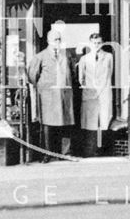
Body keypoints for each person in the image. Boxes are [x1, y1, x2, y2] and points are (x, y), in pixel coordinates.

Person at [27, 29, 75, 163]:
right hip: (48, 97)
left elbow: (73, 74)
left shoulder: (67, 56)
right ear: (48, 41)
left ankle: (66, 153)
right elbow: (32, 77)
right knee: (48, 126)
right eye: (55, 40)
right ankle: (47, 154)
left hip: (64, 95)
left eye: (59, 39)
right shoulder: (40, 57)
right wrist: (45, 87)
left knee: (65, 124)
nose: (58, 42)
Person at [78, 33, 113, 157]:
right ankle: (90, 150)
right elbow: (80, 78)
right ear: (90, 43)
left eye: (99, 43)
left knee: (104, 121)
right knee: (90, 122)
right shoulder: (84, 59)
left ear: (102, 43)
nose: (96, 45)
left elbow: (111, 73)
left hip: (104, 91)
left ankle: (102, 150)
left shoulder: (109, 57)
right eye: (94, 43)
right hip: (90, 93)